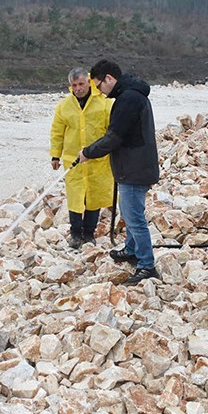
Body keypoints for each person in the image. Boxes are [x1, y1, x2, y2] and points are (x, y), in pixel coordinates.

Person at [78, 59, 160, 286]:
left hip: (135, 168)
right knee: (128, 211)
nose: (101, 92)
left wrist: (88, 152)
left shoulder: (128, 99)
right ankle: (132, 250)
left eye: (100, 86)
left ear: (110, 79)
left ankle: (147, 265)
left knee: (134, 218)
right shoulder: (130, 95)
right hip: (135, 165)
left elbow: (114, 137)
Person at [50, 68, 114, 249]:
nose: (78, 88)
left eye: (81, 84)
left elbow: (113, 130)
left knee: (93, 197)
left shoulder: (104, 103)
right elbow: (57, 132)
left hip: (98, 160)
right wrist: (55, 154)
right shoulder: (64, 106)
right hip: (73, 160)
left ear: (89, 82)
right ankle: (76, 234)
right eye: (74, 85)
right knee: (76, 197)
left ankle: (89, 233)